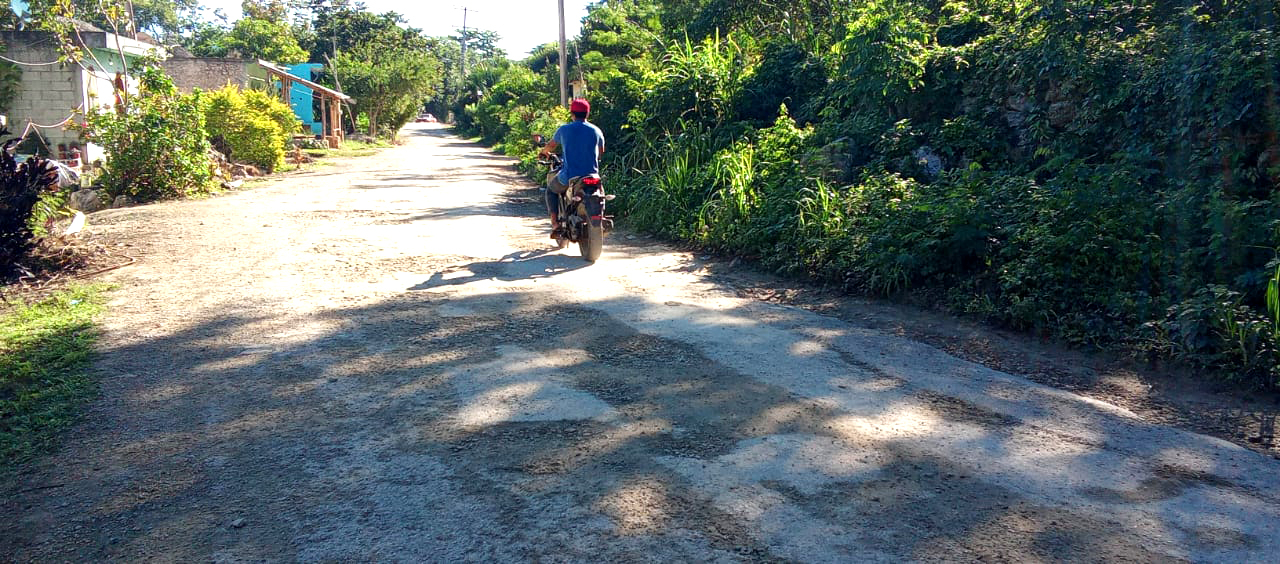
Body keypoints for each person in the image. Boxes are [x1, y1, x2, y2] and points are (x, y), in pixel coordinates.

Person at [538, 98, 605, 239]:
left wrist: (544, 152)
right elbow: (601, 152)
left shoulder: (564, 130)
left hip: (570, 176)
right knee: (601, 195)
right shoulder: (597, 130)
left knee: (550, 190)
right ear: (587, 113)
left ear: (572, 114)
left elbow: (551, 146)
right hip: (593, 176)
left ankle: (555, 224)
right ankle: (601, 218)